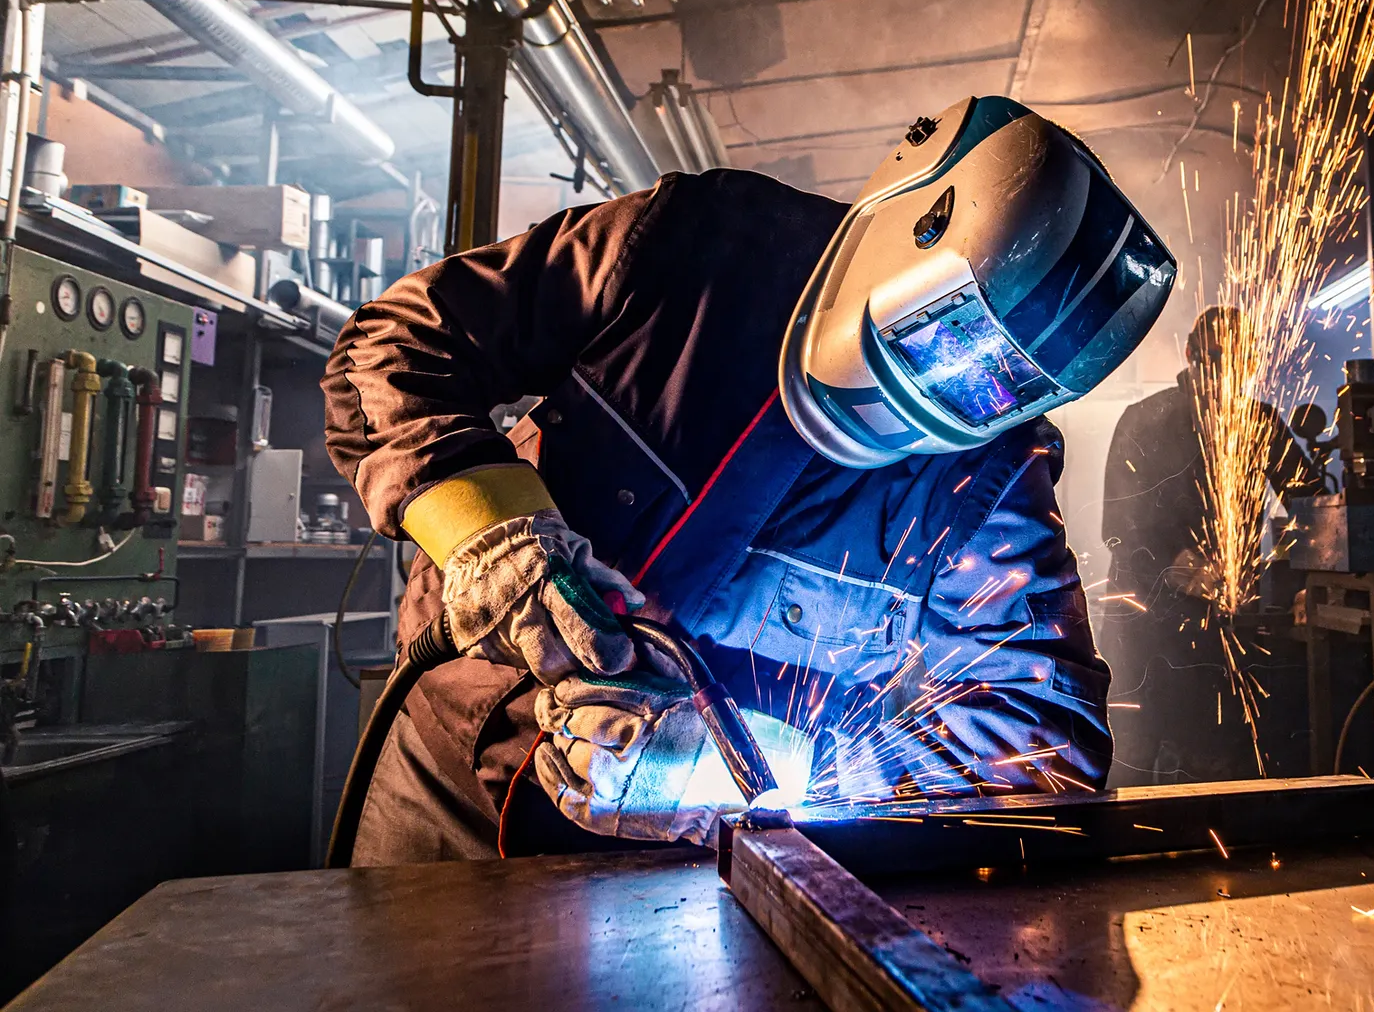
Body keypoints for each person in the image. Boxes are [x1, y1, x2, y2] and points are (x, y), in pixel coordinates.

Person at [323, 95, 1176, 861]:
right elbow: (396, 347)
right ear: (907, 227)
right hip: (445, 764)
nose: (953, 393)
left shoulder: (987, 471)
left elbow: (1043, 735)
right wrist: (493, 535)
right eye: (951, 337)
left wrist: (764, 768)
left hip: (687, 847)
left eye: (1000, 387)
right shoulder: (693, 242)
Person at [1099, 306, 1305, 783]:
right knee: (1129, 758)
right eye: (1214, 358)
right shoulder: (1144, 420)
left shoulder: (1259, 423)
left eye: (1236, 362)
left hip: (1222, 630)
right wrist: (1172, 563)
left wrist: (1300, 581)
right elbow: (1117, 525)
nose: (1223, 372)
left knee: (1215, 758)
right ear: (1192, 355)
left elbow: (1312, 505)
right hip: (1145, 627)